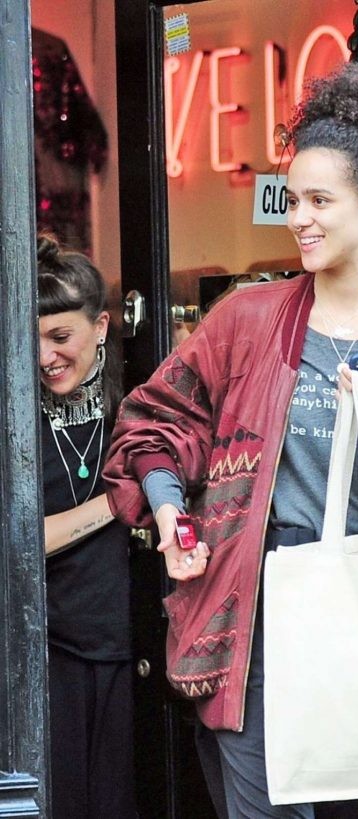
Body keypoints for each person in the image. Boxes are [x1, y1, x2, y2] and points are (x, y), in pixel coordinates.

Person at [103, 62, 358, 819]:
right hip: (255, 622)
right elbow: (158, 425)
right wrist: (168, 512)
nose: (300, 219)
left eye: (321, 201)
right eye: (294, 199)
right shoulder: (246, 319)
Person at [37, 234, 135, 819]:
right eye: (32, 338)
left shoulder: (139, 406)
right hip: (50, 653)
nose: (44, 356)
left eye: (60, 336)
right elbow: (21, 542)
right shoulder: (19, 421)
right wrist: (114, 504)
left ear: (100, 327)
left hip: (134, 648)